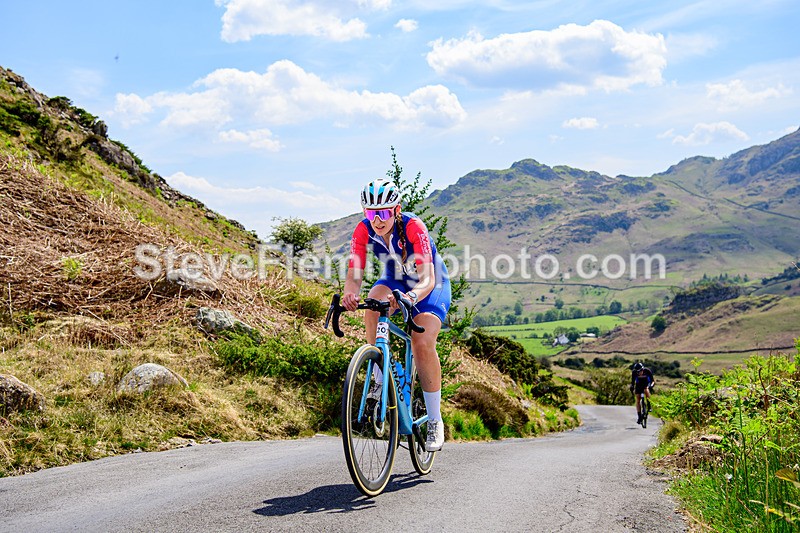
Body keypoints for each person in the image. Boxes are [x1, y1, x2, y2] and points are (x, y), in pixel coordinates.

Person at [342, 178, 451, 452]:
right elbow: (355, 274)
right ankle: (379, 376)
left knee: (421, 342)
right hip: (394, 280)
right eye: (370, 213)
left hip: (429, 285)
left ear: (396, 209)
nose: (377, 220)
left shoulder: (414, 226)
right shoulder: (363, 230)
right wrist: (349, 295)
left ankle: (435, 421)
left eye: (383, 212)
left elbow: (427, 278)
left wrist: (411, 297)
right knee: (372, 304)